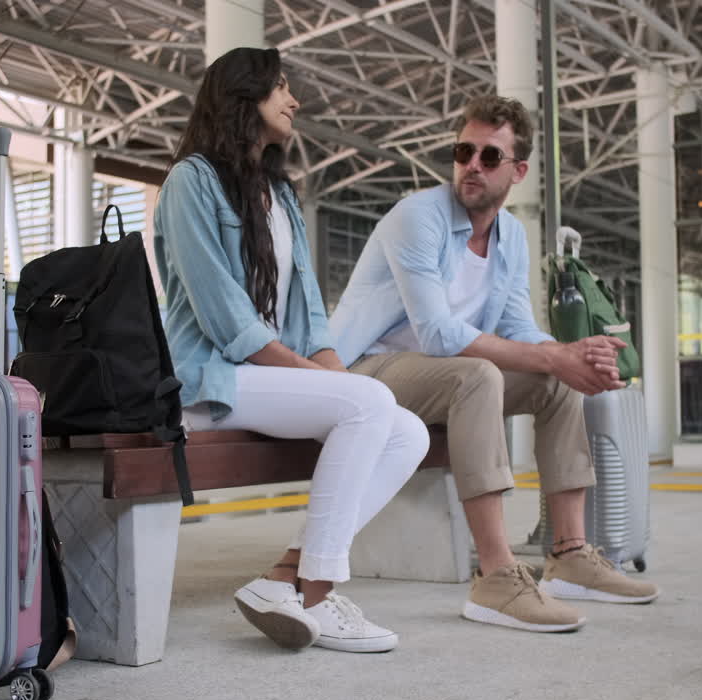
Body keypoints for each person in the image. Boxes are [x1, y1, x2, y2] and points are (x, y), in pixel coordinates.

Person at [329, 94, 660, 634]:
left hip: (440, 378)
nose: (472, 166)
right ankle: (496, 574)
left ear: (518, 171)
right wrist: (551, 354)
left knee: (555, 383)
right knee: (477, 374)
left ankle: (571, 555)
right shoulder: (419, 216)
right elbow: (437, 333)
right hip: (369, 371)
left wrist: (573, 356)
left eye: (489, 157)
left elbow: (520, 329)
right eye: (464, 152)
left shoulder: (510, 238)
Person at [153, 47, 429, 653]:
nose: (294, 99)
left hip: (262, 378)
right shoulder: (189, 182)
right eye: (279, 86)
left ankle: (287, 576)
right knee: (365, 404)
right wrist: (339, 389)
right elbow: (227, 323)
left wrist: (337, 379)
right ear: (242, 95)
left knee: (408, 432)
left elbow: (309, 321)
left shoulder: (279, 194)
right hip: (208, 380)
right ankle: (317, 593)